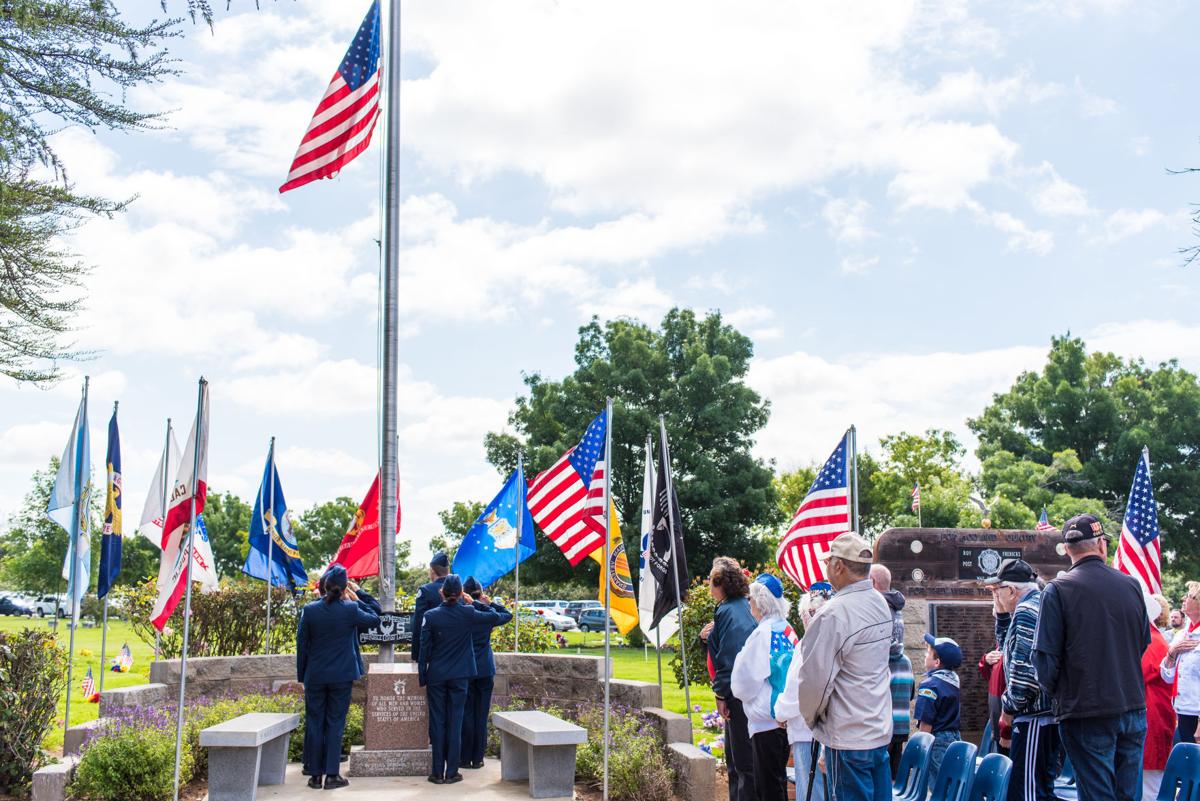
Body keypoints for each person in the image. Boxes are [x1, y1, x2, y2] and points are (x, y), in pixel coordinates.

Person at [1033, 513, 1151, 801]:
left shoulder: (1058, 590)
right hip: (1131, 707)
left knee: (1098, 795)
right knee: (1124, 795)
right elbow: (1143, 643)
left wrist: (1062, 695)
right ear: (1101, 545)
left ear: (1068, 549)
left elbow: (1044, 661)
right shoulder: (1131, 585)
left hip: (1086, 710)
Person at [794, 532, 893, 801]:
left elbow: (815, 682)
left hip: (849, 736)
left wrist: (812, 719)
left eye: (828, 562)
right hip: (877, 729)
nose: (826, 568)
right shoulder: (880, 604)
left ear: (838, 566)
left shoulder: (834, 613)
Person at [296, 564, 380, 790]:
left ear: (324, 587)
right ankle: (332, 775)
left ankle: (315, 775)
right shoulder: (350, 609)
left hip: (315, 675)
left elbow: (301, 644)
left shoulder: (310, 610)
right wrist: (358, 595)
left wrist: (302, 675)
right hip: (341, 675)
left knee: (315, 723)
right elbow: (375, 616)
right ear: (344, 588)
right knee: (335, 723)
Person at [985, 558, 1057, 801]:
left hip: (1036, 715)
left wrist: (1009, 707)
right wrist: (1002, 616)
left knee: (1027, 792)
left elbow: (1024, 671)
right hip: (1043, 715)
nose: (996, 595)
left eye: (998, 590)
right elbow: (1009, 649)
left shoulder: (1028, 611)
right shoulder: (1037, 604)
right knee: (1037, 789)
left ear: (1012, 590)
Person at [418, 573, 501, 785]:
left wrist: (422, 676)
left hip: (437, 675)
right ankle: (452, 772)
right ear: (461, 594)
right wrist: (477, 603)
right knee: (456, 722)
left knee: (438, 723)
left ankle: (437, 772)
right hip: (460, 675)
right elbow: (493, 616)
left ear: (441, 592)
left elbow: (424, 649)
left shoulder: (431, 615)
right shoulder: (468, 612)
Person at [731, 574, 796, 801]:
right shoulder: (788, 629)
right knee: (777, 782)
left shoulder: (763, 633)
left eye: (751, 599)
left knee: (768, 787)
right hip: (784, 717)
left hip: (766, 720)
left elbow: (743, 682)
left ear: (760, 602)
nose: (749, 603)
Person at [700, 556, 758, 801]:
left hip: (739, 695)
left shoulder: (730, 609)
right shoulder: (738, 606)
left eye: (712, 581)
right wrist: (706, 639)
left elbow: (731, 658)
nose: (709, 586)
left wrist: (721, 694)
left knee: (743, 764)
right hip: (744, 693)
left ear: (721, 582)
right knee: (736, 763)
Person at [776, 585, 832, 801]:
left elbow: (796, 689)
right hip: (820, 729)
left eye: (803, 615)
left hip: (808, 731)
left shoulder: (809, 643)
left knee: (811, 791)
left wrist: (780, 713)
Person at [459, 575, 512, 770]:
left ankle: (465, 758)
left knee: (467, 714)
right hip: (485, 669)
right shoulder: (486, 613)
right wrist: (489, 604)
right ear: (481, 595)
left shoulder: (462, 613)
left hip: (466, 669)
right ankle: (478, 758)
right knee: (481, 715)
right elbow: (506, 615)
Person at [871, 563, 913, 773]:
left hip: (883, 721)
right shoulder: (895, 607)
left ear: (872, 582)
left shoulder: (878, 607)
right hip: (899, 724)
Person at [1142, 592, 1176, 801]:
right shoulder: (1151, 640)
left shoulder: (1153, 642)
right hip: (1149, 718)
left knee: (1150, 787)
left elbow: (1136, 674)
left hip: (1152, 719)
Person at [916, 634, 962, 777]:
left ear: (937, 662)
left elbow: (926, 723)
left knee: (938, 785)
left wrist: (921, 749)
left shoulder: (929, 686)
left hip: (937, 742)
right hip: (954, 737)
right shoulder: (953, 681)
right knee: (950, 782)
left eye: (928, 652)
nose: (925, 654)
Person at [1161, 581, 1200, 745]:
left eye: (1190, 596)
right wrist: (1172, 653)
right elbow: (1167, 677)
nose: (1184, 598)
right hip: (1182, 709)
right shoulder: (1181, 635)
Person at [411, 552, 451, 662]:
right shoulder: (459, 591)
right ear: (448, 571)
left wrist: (417, 655)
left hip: (432, 652)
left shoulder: (425, 591)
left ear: (432, 570)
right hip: (455, 652)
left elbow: (420, 623)